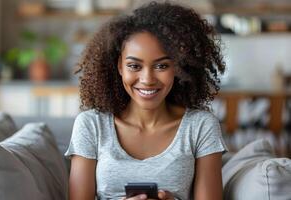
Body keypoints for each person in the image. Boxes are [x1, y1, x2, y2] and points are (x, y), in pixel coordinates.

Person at [65, 1, 227, 200]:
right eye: (134, 66)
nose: (148, 80)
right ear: (119, 67)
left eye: (161, 66)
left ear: (178, 68)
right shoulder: (91, 125)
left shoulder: (200, 126)